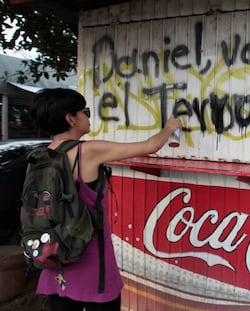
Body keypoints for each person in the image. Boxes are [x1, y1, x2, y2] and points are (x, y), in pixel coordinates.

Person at [29, 88, 182, 311]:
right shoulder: (88, 151)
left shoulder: (36, 159)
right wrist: (169, 127)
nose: (88, 117)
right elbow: (150, 146)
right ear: (70, 118)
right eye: (85, 112)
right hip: (91, 262)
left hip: (53, 258)